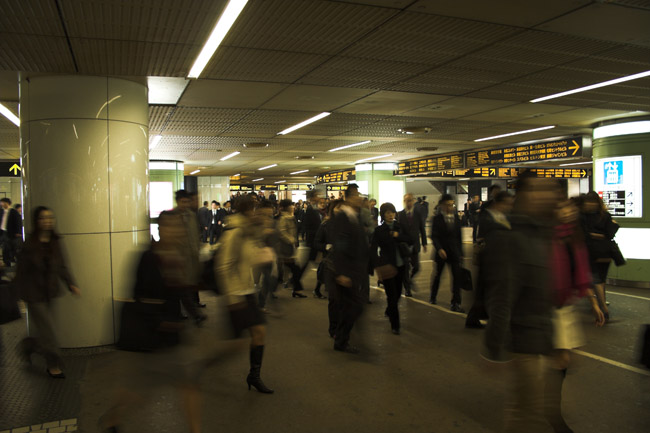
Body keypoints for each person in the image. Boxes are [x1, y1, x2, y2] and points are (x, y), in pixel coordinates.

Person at [99, 210, 203, 433]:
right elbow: (139, 294)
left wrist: (195, 313)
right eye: (169, 227)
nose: (175, 231)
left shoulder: (177, 256)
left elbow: (181, 290)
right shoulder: (147, 257)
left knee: (188, 384)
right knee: (138, 391)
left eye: (178, 227)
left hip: (170, 331)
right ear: (160, 229)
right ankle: (111, 418)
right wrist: (159, 321)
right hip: (150, 332)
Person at [481, 172, 557, 433]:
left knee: (530, 414)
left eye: (550, 189)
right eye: (539, 189)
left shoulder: (544, 235)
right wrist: (493, 347)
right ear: (522, 195)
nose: (548, 195)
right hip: (524, 342)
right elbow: (502, 296)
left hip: (542, 340)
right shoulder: (512, 238)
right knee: (527, 417)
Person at [546, 198, 605, 433]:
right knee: (560, 359)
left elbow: (581, 271)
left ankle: (549, 407)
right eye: (562, 207)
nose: (568, 211)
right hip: (549, 305)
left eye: (569, 207)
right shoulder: (548, 237)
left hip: (565, 304)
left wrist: (594, 302)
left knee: (563, 360)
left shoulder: (574, 237)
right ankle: (552, 412)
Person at [215, 195, 274, 394]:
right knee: (236, 344)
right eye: (255, 209)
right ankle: (204, 362)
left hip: (247, 291)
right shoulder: (235, 232)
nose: (258, 214)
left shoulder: (249, 232)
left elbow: (250, 259)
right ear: (247, 211)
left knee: (259, 333)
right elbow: (223, 266)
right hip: (237, 294)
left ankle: (254, 376)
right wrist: (232, 298)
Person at [16, 206, 80, 378]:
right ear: (37, 221)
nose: (47, 221)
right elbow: (20, 271)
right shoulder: (30, 243)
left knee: (44, 332)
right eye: (43, 218)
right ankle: (54, 365)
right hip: (33, 294)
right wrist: (19, 293)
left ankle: (28, 347)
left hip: (50, 292)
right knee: (49, 332)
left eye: (50, 217)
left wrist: (71, 284)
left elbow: (62, 265)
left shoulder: (55, 241)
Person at [328, 184, 368, 353]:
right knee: (355, 305)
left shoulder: (355, 216)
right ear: (349, 198)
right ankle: (340, 337)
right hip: (344, 272)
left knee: (350, 306)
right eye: (357, 195)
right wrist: (342, 272)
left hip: (354, 270)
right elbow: (340, 246)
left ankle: (341, 337)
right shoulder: (342, 217)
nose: (359, 198)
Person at [465, 191, 514, 329]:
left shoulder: (504, 217)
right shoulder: (487, 217)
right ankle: (478, 318)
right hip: (489, 259)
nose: (509, 207)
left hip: (500, 259)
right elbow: (481, 237)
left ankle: (476, 317)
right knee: (484, 291)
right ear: (499, 203)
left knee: (486, 291)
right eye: (507, 204)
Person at [370, 202, 412, 335]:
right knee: (391, 296)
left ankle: (389, 310)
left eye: (392, 212)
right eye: (387, 212)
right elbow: (373, 249)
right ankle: (395, 325)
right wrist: (377, 266)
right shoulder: (379, 230)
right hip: (387, 266)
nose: (390, 215)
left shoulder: (399, 227)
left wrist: (397, 235)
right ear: (383, 214)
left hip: (401, 266)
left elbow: (410, 239)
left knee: (398, 293)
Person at [580, 191, 617, 321]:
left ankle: (601, 307)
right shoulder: (604, 216)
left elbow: (585, 235)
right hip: (602, 252)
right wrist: (600, 235)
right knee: (598, 280)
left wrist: (592, 235)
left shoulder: (584, 217)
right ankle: (602, 307)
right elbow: (609, 233)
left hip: (595, 253)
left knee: (598, 280)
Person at [429, 194, 464, 312]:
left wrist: (461, 253)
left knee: (456, 278)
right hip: (441, 253)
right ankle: (433, 296)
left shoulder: (457, 218)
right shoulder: (437, 219)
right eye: (448, 205)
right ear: (442, 205)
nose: (450, 207)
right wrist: (439, 249)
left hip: (454, 253)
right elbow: (434, 236)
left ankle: (456, 302)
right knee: (438, 275)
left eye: (452, 205)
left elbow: (459, 237)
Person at [397, 193, 427, 297]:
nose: (409, 202)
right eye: (406, 200)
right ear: (404, 202)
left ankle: (409, 280)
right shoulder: (400, 214)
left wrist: (424, 243)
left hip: (415, 244)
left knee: (417, 267)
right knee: (405, 268)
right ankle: (407, 289)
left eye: (410, 200)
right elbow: (399, 230)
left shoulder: (418, 214)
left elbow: (422, 229)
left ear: (413, 201)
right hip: (404, 245)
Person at [276, 199, 306, 298]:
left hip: (289, 248)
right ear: (286, 207)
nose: (293, 207)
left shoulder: (290, 217)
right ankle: (296, 289)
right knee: (294, 269)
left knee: (290, 269)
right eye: (291, 205)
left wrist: (295, 241)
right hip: (284, 248)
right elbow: (281, 232)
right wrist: (292, 240)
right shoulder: (284, 218)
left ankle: (295, 288)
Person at [301, 190, 324, 298]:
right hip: (314, 241)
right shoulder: (310, 210)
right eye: (316, 196)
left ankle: (295, 280)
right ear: (311, 198)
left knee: (311, 263)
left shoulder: (315, 209)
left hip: (315, 241)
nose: (318, 197)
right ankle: (317, 289)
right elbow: (310, 227)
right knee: (320, 265)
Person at [0, 198, 22, 266]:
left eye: (2, 202)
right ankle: (6, 261)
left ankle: (10, 261)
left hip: (10, 232)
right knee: (5, 247)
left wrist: (18, 231)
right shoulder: (2, 211)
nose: (1, 204)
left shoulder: (13, 212)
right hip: (2, 231)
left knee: (10, 247)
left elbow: (18, 222)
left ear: (7, 203)